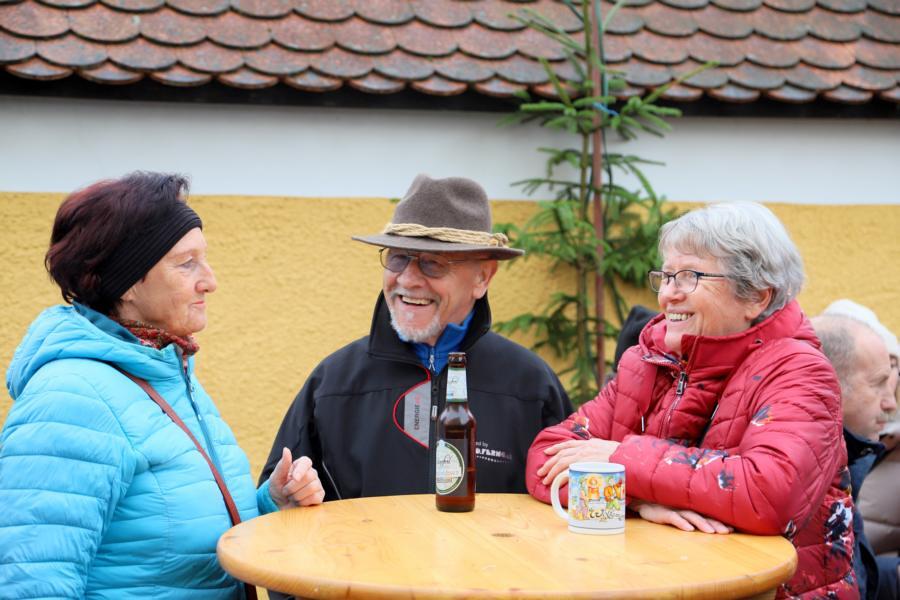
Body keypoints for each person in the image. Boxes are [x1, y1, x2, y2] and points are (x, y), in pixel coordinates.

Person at [0, 172, 324, 598]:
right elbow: (30, 581)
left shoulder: (165, 373)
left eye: (204, 259)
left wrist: (272, 503)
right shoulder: (71, 398)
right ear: (127, 283)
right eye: (187, 263)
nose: (210, 281)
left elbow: (173, 545)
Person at [526, 201, 855, 598]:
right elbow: (547, 457)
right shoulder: (646, 363)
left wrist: (621, 460)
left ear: (756, 296)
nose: (668, 294)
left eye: (689, 277)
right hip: (655, 583)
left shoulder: (799, 372)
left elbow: (769, 493)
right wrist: (637, 498)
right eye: (666, 276)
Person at [260, 174, 573, 501]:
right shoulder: (333, 382)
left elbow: (570, 505)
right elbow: (275, 503)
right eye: (398, 257)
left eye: (432, 263)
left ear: (482, 277)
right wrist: (284, 495)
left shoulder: (531, 385)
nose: (408, 279)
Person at [813, 314, 900, 600]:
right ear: (829, 381)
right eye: (878, 383)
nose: (891, 403)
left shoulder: (845, 462)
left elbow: (853, 581)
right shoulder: (799, 479)